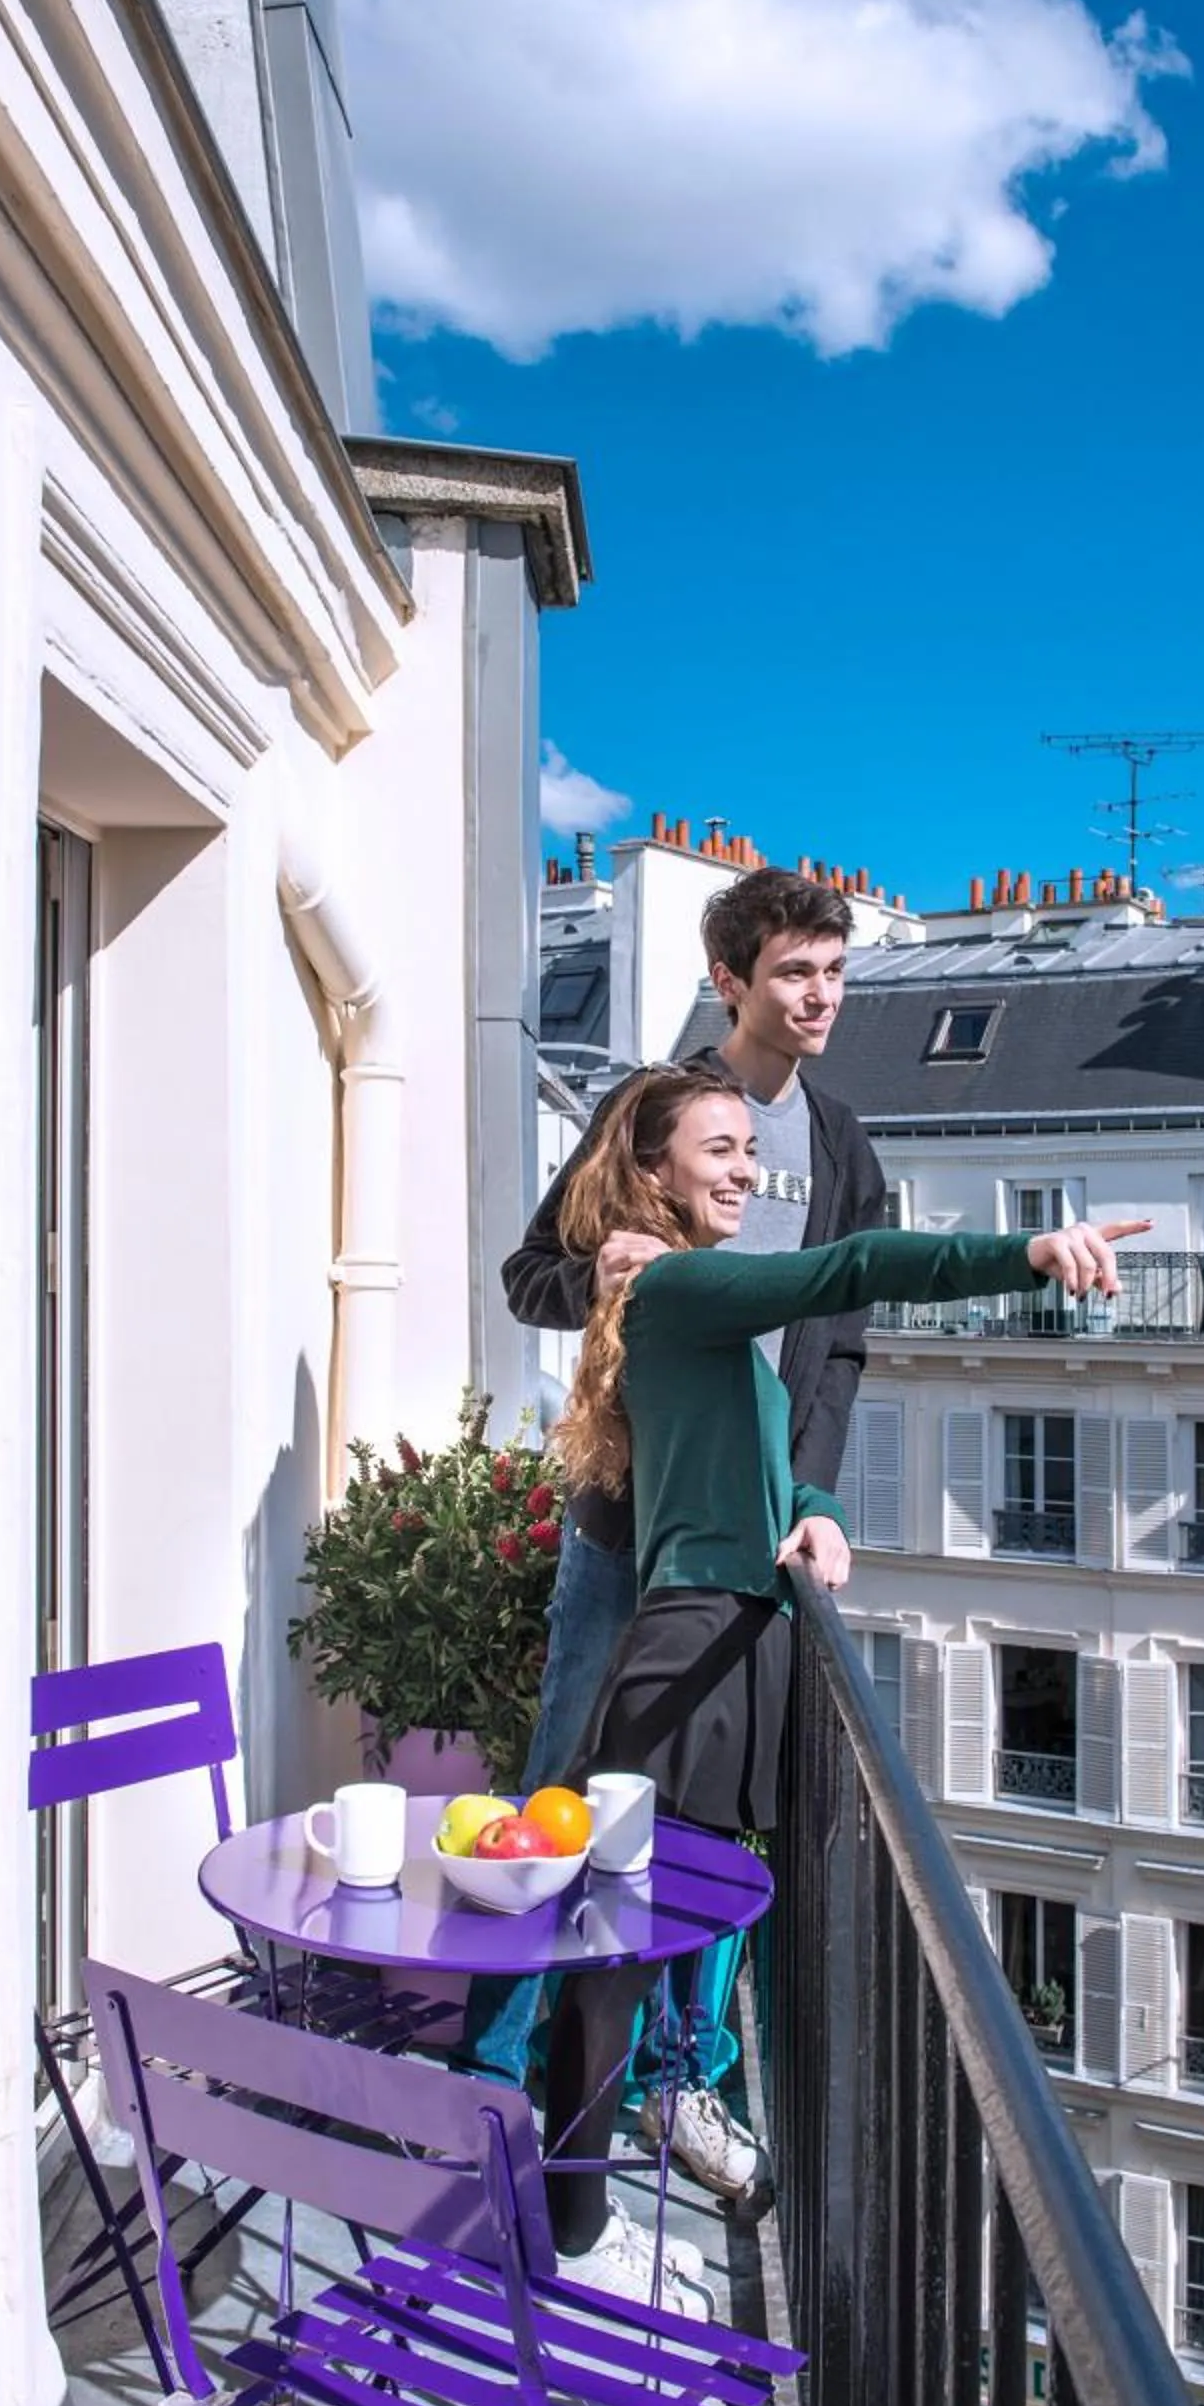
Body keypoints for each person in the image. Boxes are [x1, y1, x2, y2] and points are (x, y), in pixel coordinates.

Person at [538, 1064, 1146, 2310]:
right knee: (611, 1961)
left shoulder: (684, 1307)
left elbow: (744, 1468)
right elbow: (846, 1271)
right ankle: (573, 2230)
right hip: (692, 1652)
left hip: (727, 1639)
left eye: (747, 1151)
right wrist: (1030, 1250)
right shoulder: (678, 1284)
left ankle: (586, 2208)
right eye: (718, 1149)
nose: (746, 1170)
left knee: (639, 1949)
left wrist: (811, 1512)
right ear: (651, 1170)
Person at [458, 865, 886, 2190]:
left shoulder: (848, 1147)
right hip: (623, 1529)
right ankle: (496, 2072)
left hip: (746, 1548)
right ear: (732, 981)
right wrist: (599, 1273)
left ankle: (670, 2085)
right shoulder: (652, 1112)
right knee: (565, 1785)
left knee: (705, 1825)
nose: (819, 998)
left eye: (833, 972)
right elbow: (531, 1274)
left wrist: (809, 1504)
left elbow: (841, 1353)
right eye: (795, 974)